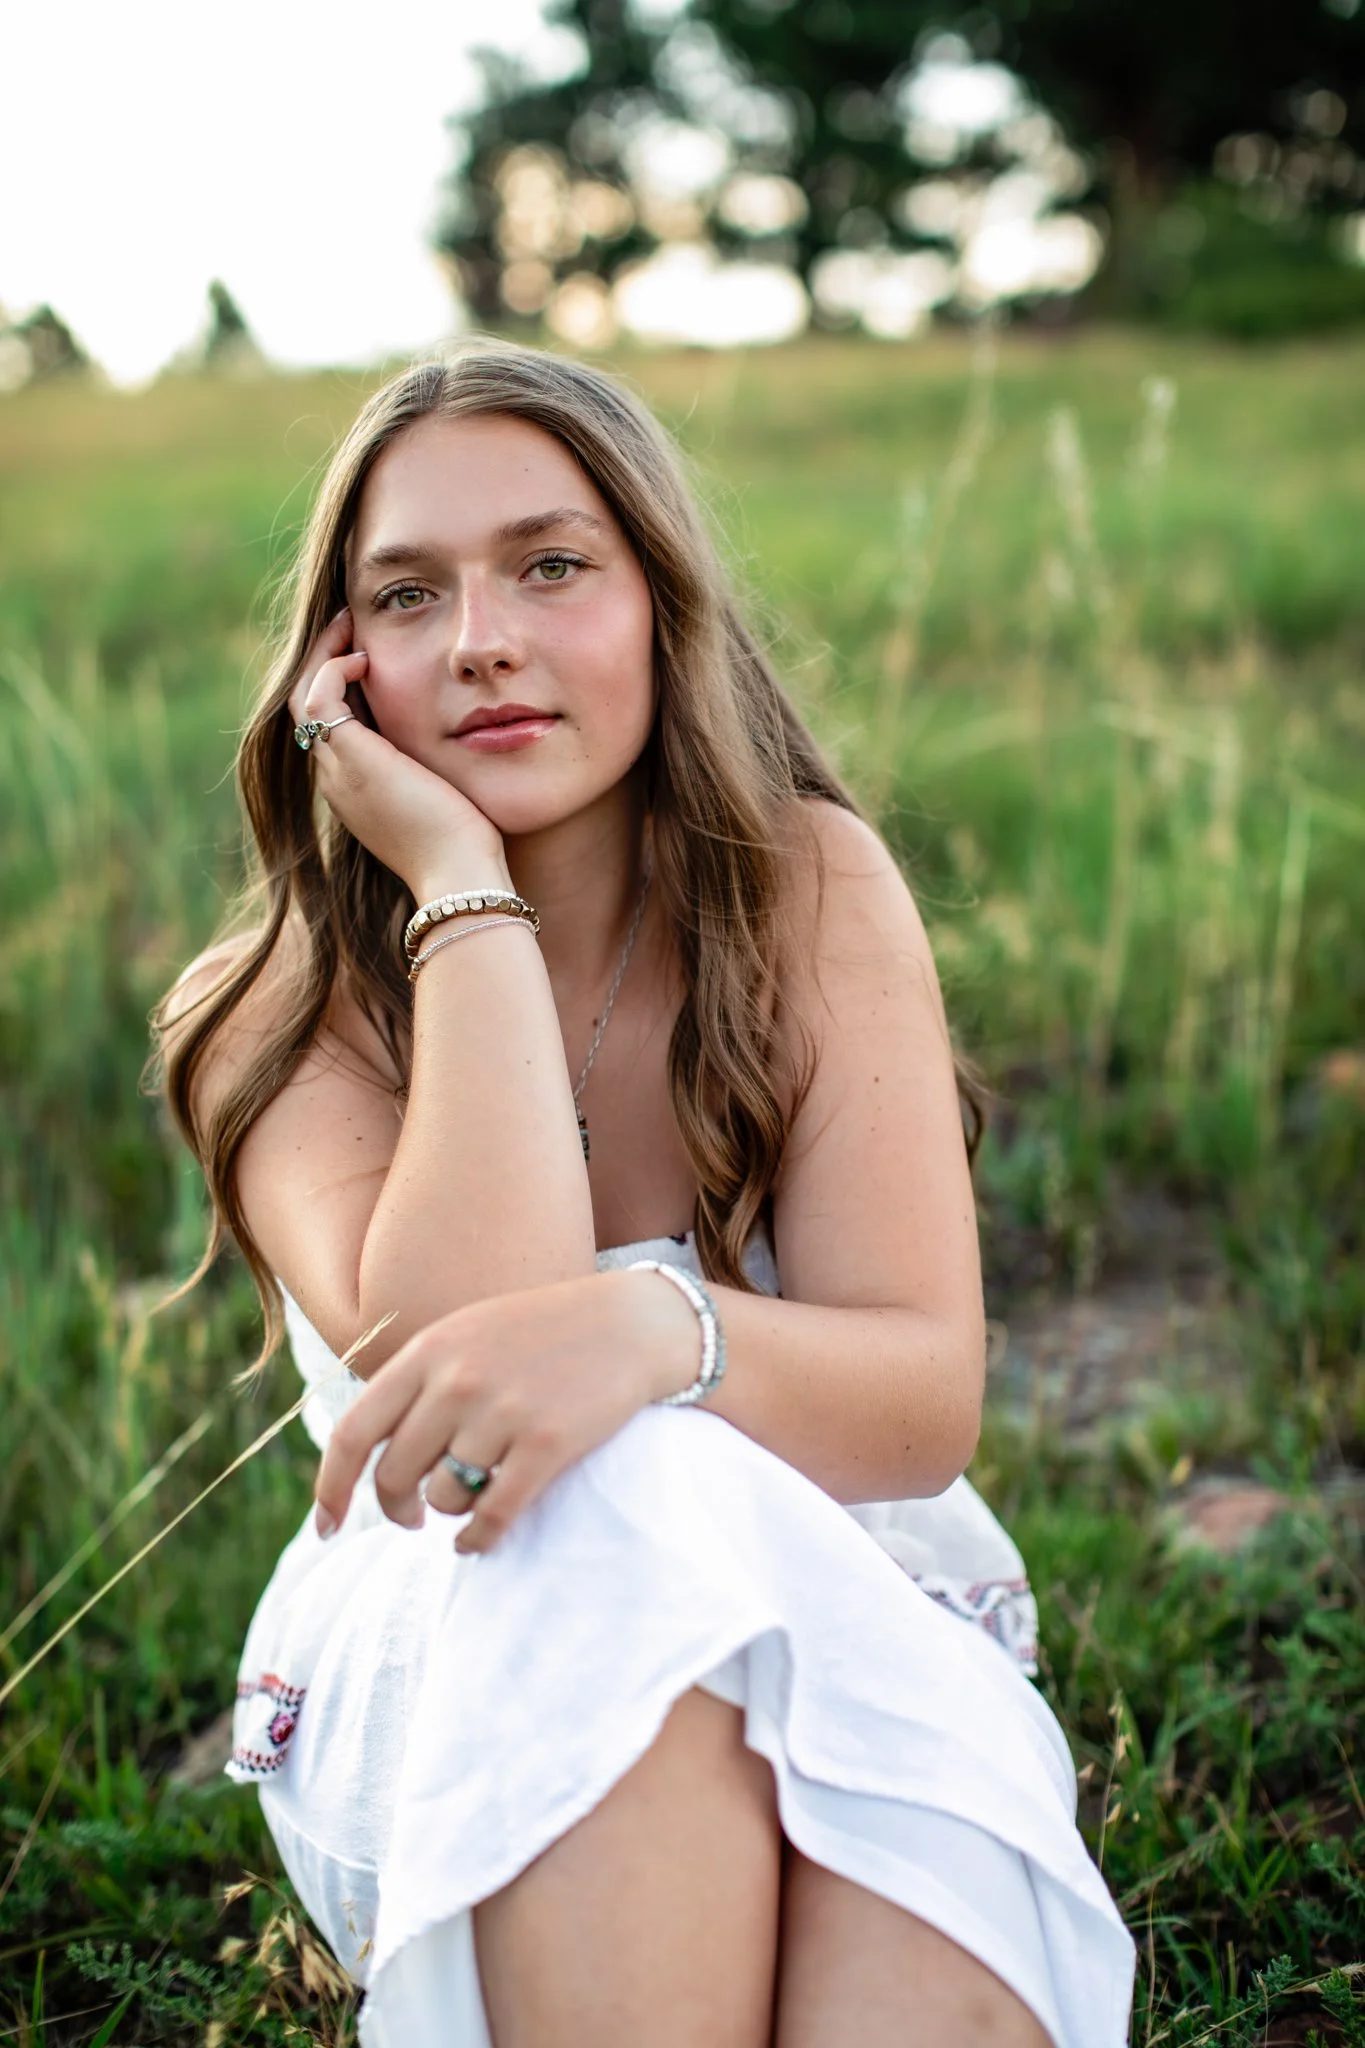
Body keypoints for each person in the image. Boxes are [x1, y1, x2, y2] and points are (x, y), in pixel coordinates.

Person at [153, 340, 1135, 2048]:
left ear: (663, 605)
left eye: (551, 565)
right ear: (338, 674)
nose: (481, 639)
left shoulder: (804, 891)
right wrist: (460, 886)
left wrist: (653, 1331)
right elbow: (474, 1389)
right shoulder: (276, 1011)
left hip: (842, 1606)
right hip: (456, 1651)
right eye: (408, 594)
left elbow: (921, 1406)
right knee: (614, 1484)